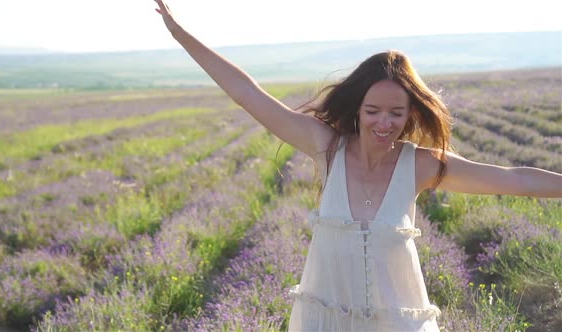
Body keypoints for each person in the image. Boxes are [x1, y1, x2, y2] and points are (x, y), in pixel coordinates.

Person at [151, 1, 562, 331]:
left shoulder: (419, 165)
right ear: (357, 109)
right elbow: (246, 92)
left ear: (410, 116)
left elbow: (515, 179)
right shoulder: (326, 148)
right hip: (324, 321)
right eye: (373, 111)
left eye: (396, 114)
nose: (384, 123)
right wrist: (180, 34)